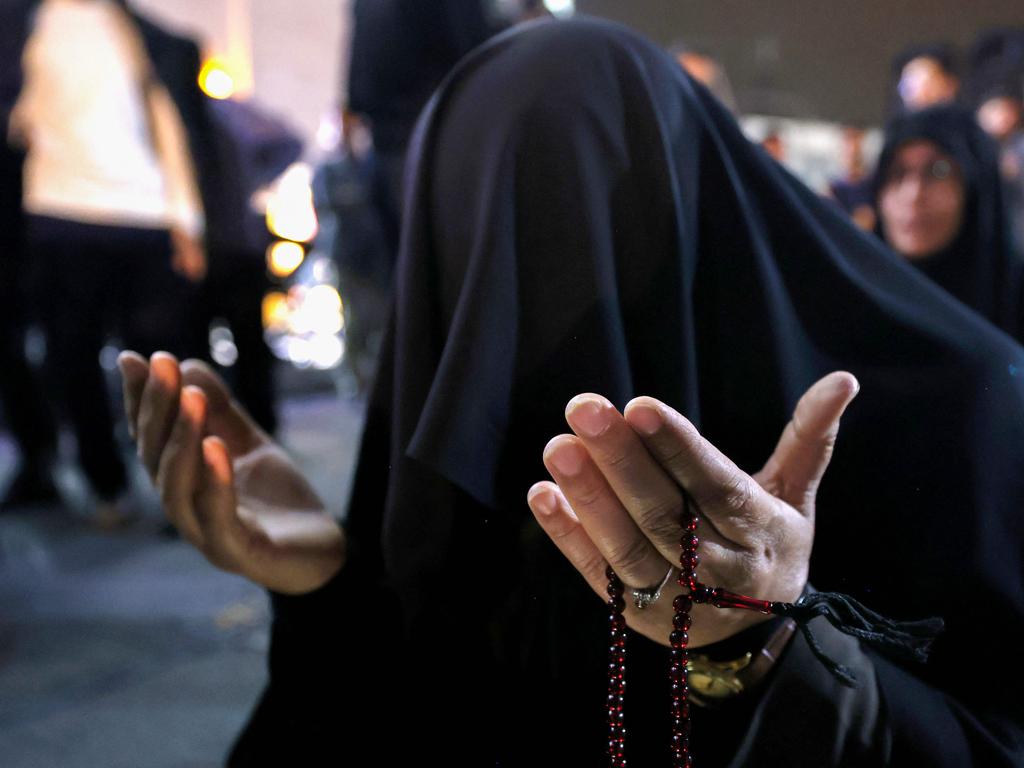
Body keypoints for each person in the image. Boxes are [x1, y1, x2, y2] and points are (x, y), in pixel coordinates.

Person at [118, 18, 1024, 766]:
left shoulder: (949, 414)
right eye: (474, 228)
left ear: (681, 208)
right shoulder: (463, 482)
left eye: (581, 218)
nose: (525, 298)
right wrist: (326, 591)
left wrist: (765, 651)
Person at [1, 0, 230, 525]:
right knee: (72, 361)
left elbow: (172, 128)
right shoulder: (21, 29)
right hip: (58, 215)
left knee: (165, 366)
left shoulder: (144, 33)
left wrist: (188, 223)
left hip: (143, 215)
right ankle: (107, 485)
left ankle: (182, 487)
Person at [873, 105, 1024, 342]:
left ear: (977, 191)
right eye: (897, 173)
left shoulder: (1014, 307)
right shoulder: (852, 307)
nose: (913, 194)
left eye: (938, 171)